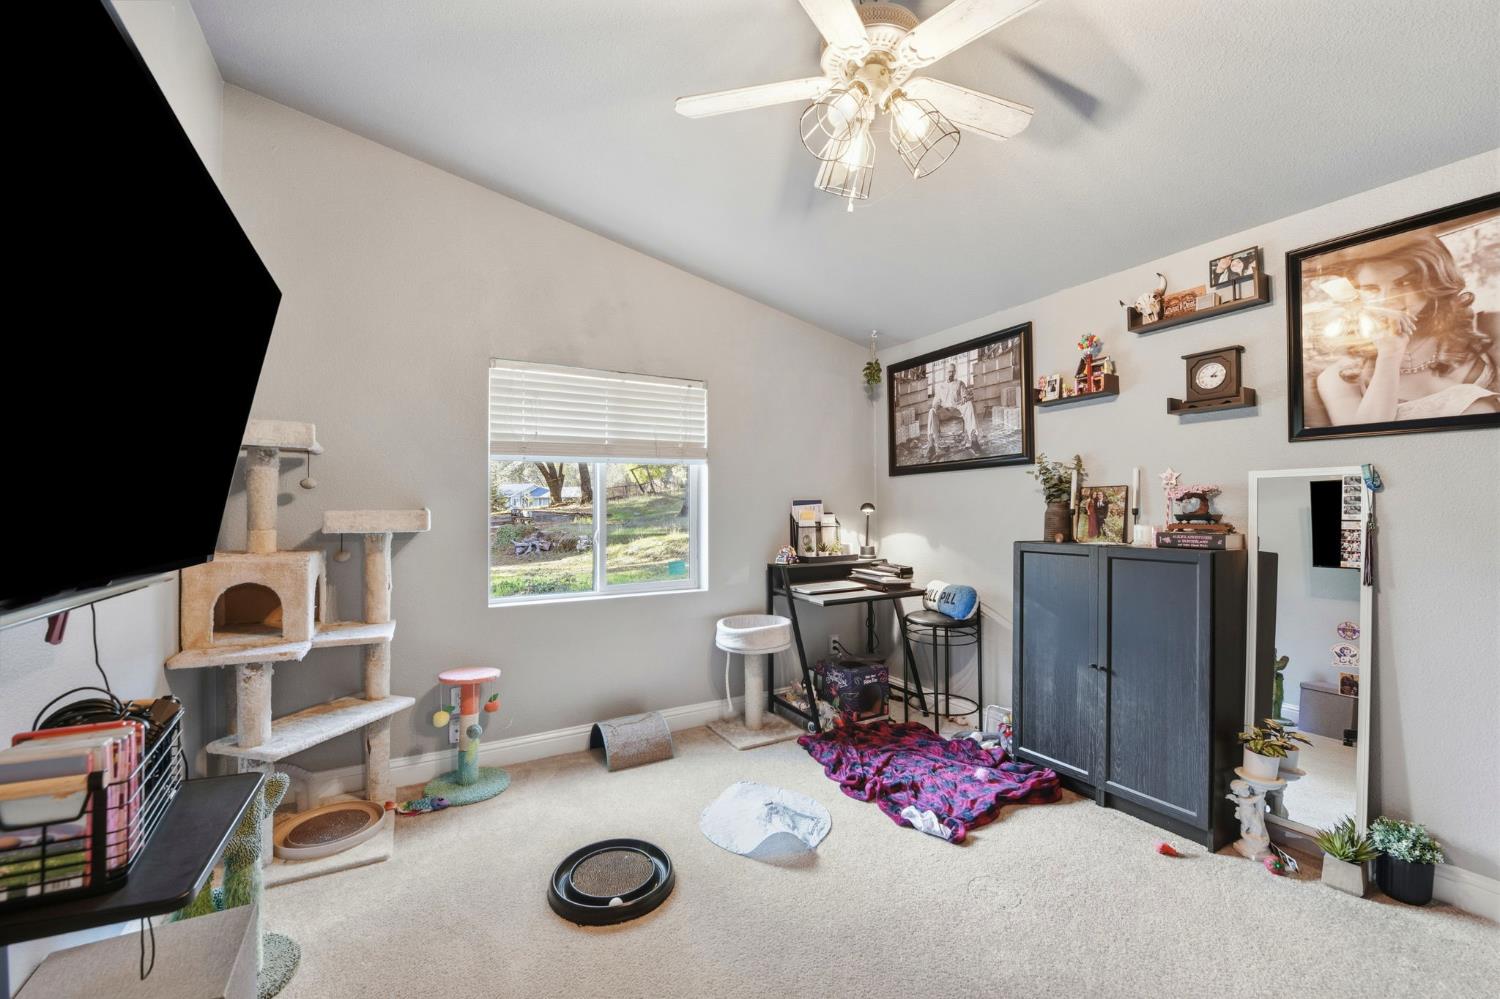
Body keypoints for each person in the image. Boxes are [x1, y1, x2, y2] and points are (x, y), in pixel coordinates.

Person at [1311, 232, 1500, 425]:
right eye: (1371, 288)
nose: (1387, 300)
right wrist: (1389, 354)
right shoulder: (1341, 376)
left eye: (1404, 284)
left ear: (1435, 283)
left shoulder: (1488, 330)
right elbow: (1364, 445)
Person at [926, 362, 980, 457]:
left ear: (955, 372)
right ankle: (931, 445)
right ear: (945, 373)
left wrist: (965, 398)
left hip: (957, 409)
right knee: (932, 411)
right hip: (945, 411)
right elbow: (935, 401)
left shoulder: (960, 383)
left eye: (952, 372)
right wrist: (936, 405)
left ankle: (974, 439)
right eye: (948, 372)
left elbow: (966, 395)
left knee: (970, 405)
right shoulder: (941, 386)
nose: (950, 374)